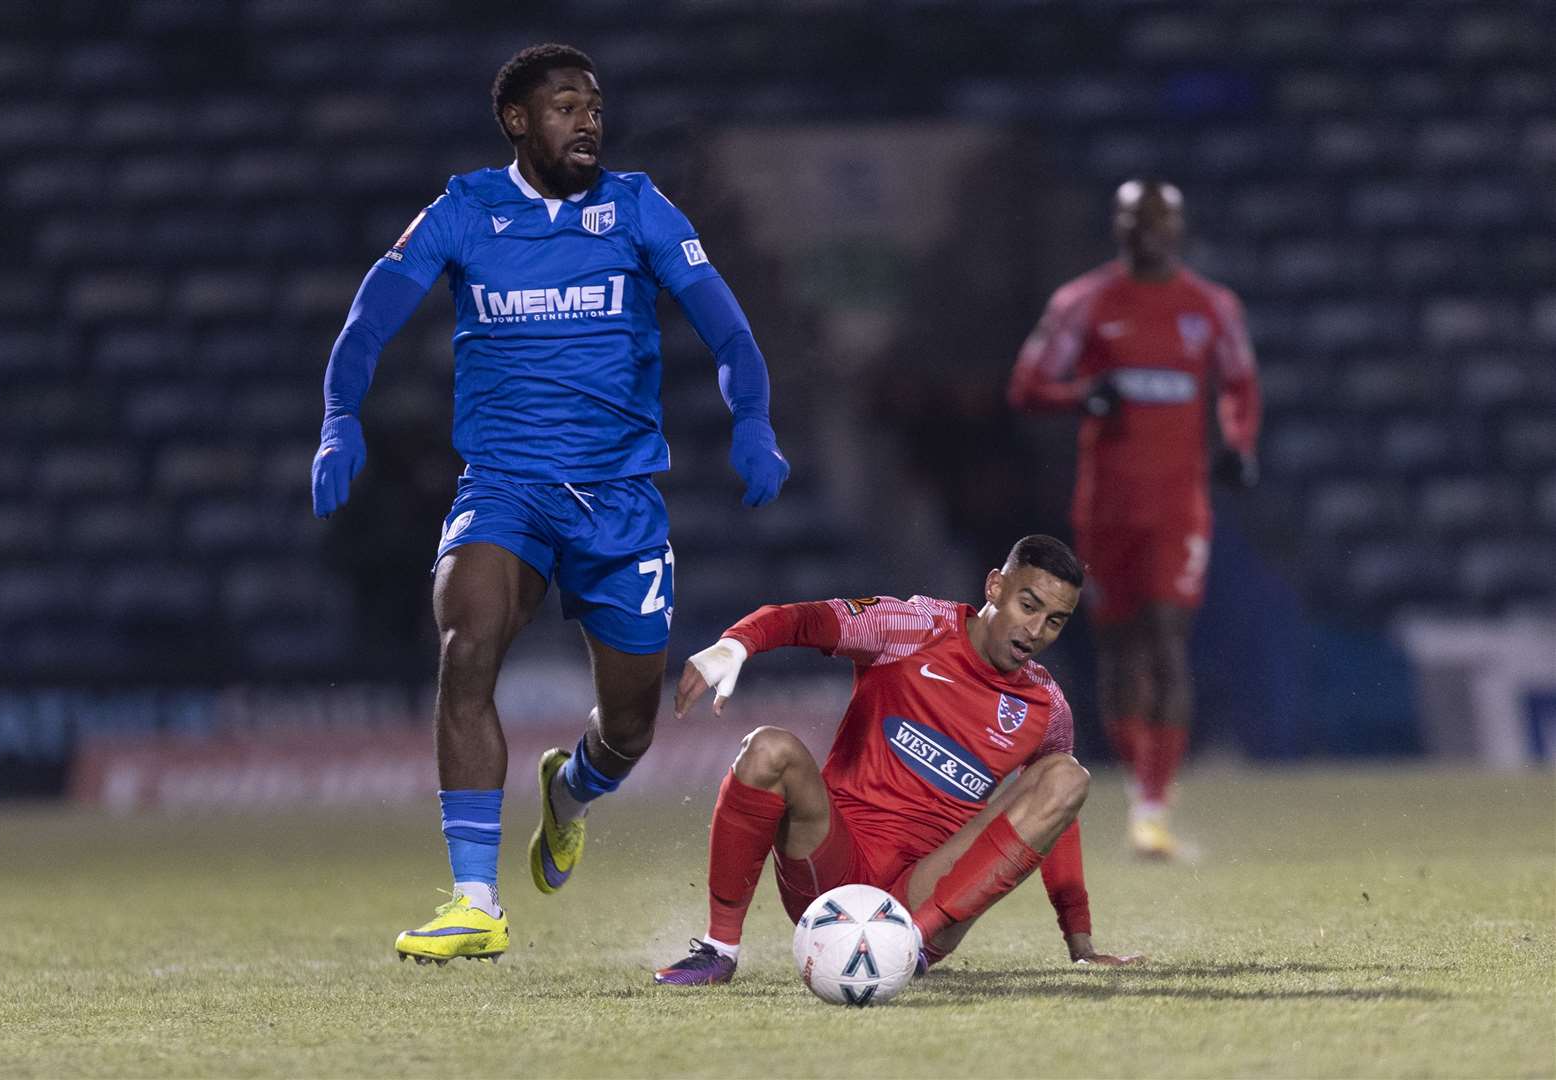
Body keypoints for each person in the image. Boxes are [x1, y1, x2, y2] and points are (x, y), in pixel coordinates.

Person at [309, 43, 791, 965]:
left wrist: (754, 419)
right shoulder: (465, 212)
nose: (588, 123)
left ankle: (568, 793)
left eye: (596, 108)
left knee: (630, 727)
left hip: (619, 502)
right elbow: (368, 318)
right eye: (566, 107)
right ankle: (474, 900)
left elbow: (726, 326)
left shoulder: (639, 208)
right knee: (465, 643)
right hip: (504, 488)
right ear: (518, 122)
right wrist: (340, 418)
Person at [653, 536, 1141, 985]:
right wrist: (738, 642)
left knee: (1064, 776)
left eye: (1054, 621)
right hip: (829, 867)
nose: (1035, 630)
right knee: (768, 748)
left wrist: (1081, 943)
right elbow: (803, 618)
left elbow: (1055, 817)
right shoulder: (912, 627)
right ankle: (719, 950)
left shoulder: (1045, 705)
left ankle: (904, 947)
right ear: (995, 585)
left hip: (926, 900)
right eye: (1027, 605)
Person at [1006, 179, 1261, 859]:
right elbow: (1028, 386)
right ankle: (1135, 793)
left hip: (1179, 507)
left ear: (1177, 228)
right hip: (1108, 506)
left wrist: (1238, 443)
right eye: (1131, 220)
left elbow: (1239, 385)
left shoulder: (1211, 308)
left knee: (1167, 636)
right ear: (1116, 228)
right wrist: (1082, 395)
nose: (1145, 232)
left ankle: (1153, 805)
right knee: (1120, 646)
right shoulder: (1084, 303)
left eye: (1157, 220)